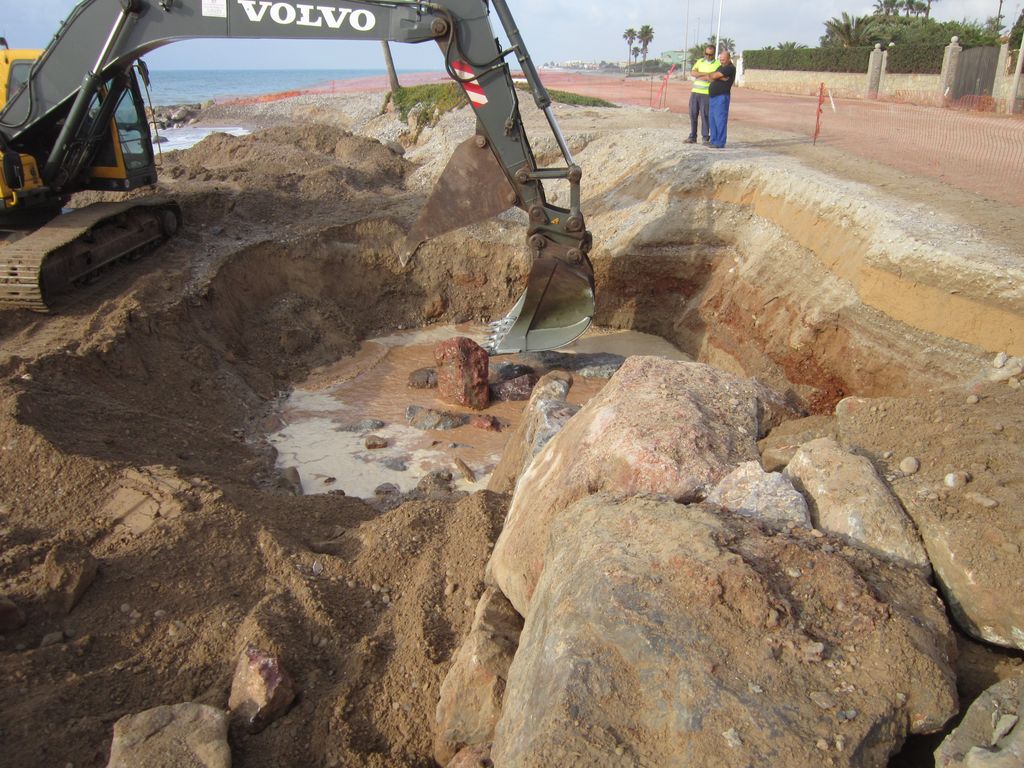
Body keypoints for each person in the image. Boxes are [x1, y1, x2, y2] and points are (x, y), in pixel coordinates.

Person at [688, 45, 720, 144]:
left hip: (707, 93)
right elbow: (693, 73)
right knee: (693, 114)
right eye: (706, 54)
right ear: (704, 53)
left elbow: (713, 77)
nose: (708, 56)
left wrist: (701, 75)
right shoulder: (700, 61)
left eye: (710, 54)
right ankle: (692, 136)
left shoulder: (718, 64)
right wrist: (706, 74)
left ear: (714, 54)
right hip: (695, 92)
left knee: (705, 115)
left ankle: (705, 137)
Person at [708, 50, 737, 149]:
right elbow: (711, 77)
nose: (721, 61)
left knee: (720, 120)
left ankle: (720, 142)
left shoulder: (730, 68)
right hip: (713, 97)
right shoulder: (720, 67)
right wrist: (718, 77)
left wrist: (716, 76)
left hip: (722, 97)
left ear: (729, 59)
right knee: (712, 119)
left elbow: (714, 75)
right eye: (720, 59)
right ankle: (713, 140)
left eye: (723, 59)